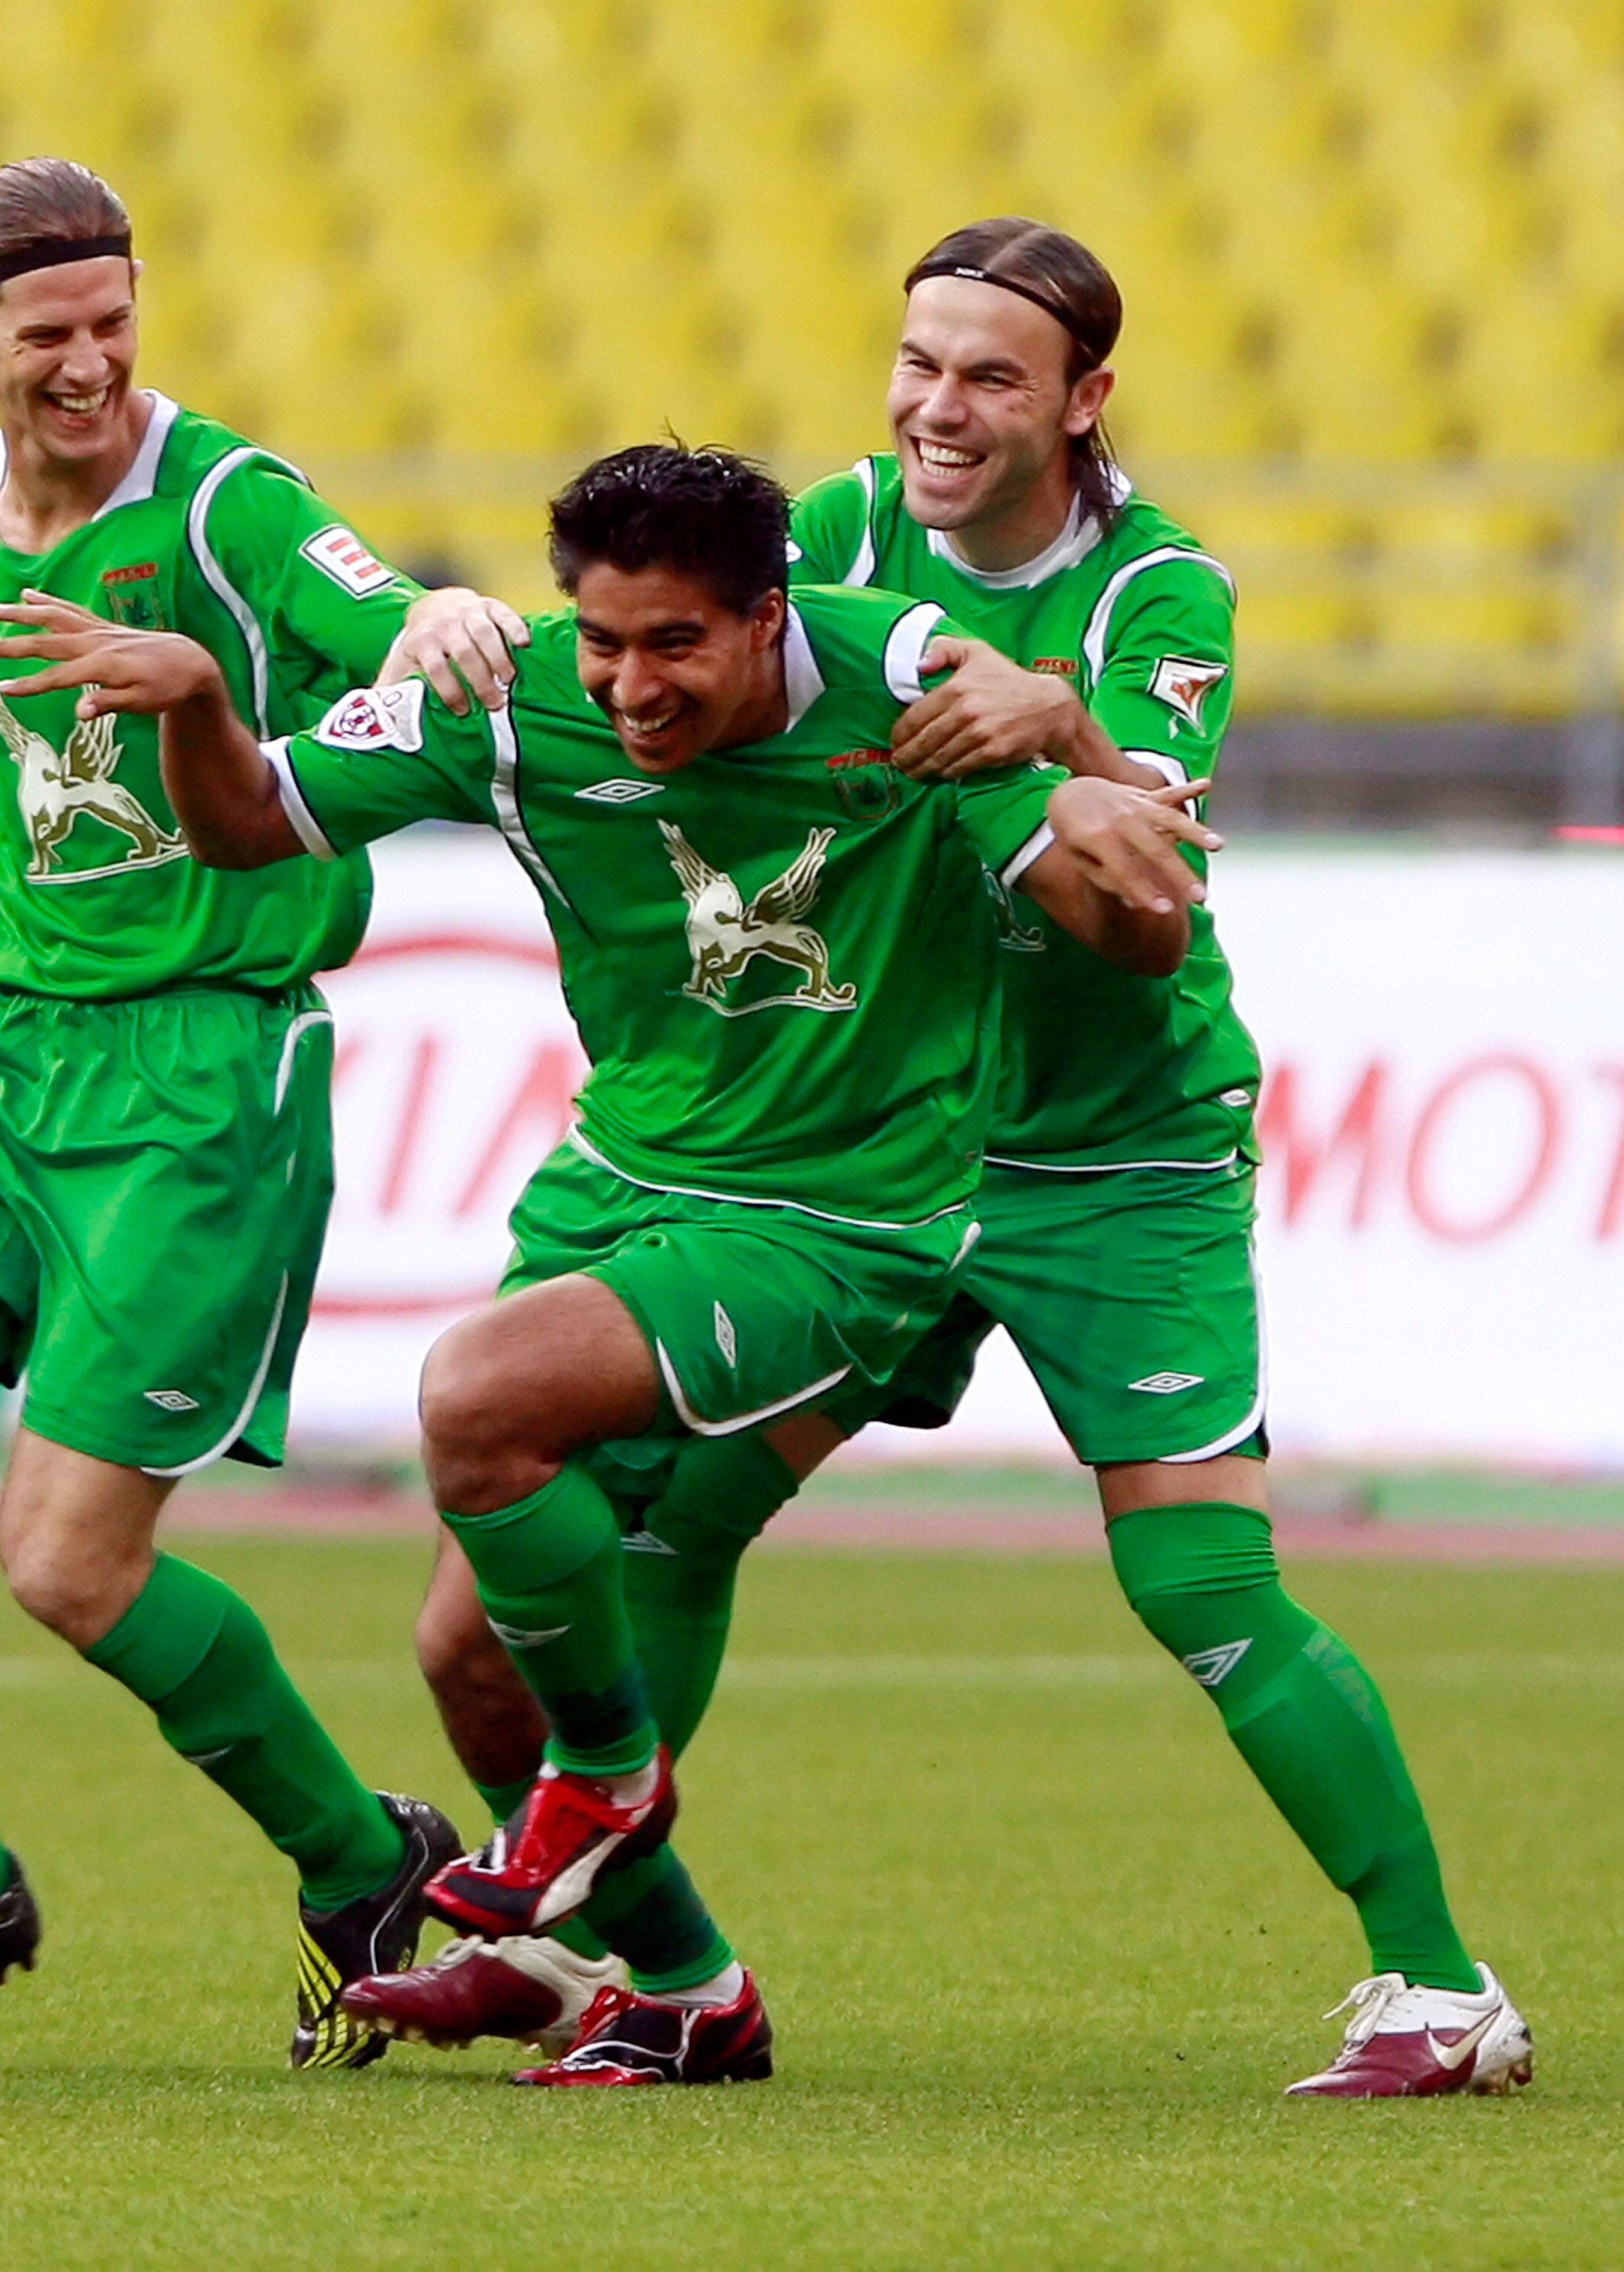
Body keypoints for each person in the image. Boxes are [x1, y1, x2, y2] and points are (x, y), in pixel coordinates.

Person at [399, 220, 1533, 2101]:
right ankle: (632, 1965)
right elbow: (642, 672)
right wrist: (432, 620)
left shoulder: (1164, 589)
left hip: (1111, 1152)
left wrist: (1064, 715)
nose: (939, 404)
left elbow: (1159, 863)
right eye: (921, 360)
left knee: (1198, 1587)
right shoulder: (817, 544)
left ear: (1086, 401)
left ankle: (1439, 1989)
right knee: (678, 1521)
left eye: (992, 374)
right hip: (868, 1155)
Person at [0, 439, 1213, 2084]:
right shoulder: (510, 701)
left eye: (676, 644)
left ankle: (610, 1775)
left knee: (474, 1398)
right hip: (622, 1187)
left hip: (845, 1218)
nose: (631, 685)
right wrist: (201, 697)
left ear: (770, 617)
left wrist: (1092, 798)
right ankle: (691, 1988)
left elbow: (1142, 928)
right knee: (464, 1658)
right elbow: (244, 830)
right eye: (605, 640)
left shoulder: (905, 681)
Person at [0, 156, 525, 2069]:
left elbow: (364, 601)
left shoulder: (221, 497)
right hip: (9, 1056)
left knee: (65, 1563)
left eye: (115, 324)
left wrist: (436, 622)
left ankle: (354, 1861)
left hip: (205, 1067)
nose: (90, 366)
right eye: (48, 335)